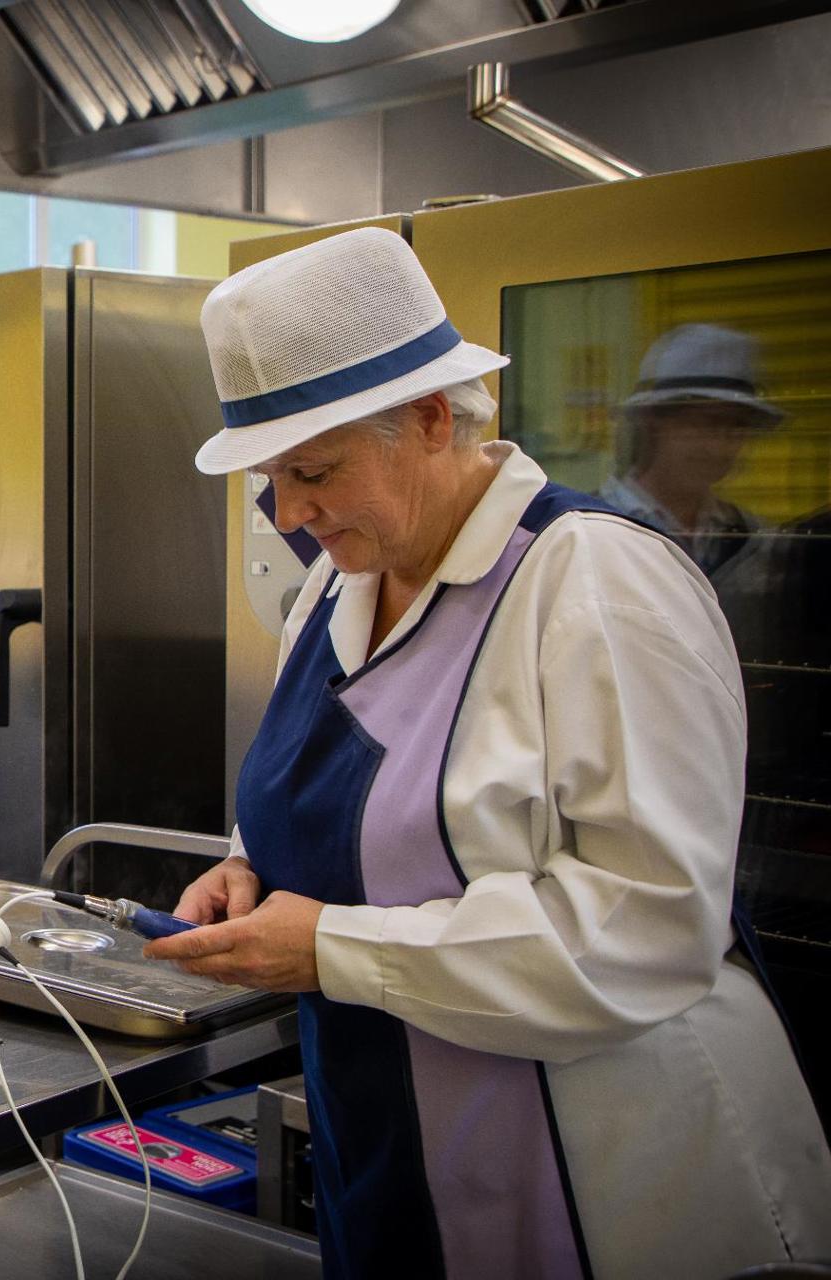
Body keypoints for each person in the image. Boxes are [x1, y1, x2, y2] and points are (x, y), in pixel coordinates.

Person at [148, 227, 831, 1278]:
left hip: (609, 1179)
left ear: (431, 417)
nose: (290, 512)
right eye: (267, 483)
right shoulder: (337, 586)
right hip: (387, 1137)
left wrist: (331, 947)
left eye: (313, 470)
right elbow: (342, 799)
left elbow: (646, 929)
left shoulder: (596, 586)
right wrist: (250, 867)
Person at [600, 322, 782, 578]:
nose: (719, 446)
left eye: (737, 427)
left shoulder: (750, 535)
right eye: (705, 423)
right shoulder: (593, 522)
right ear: (653, 423)